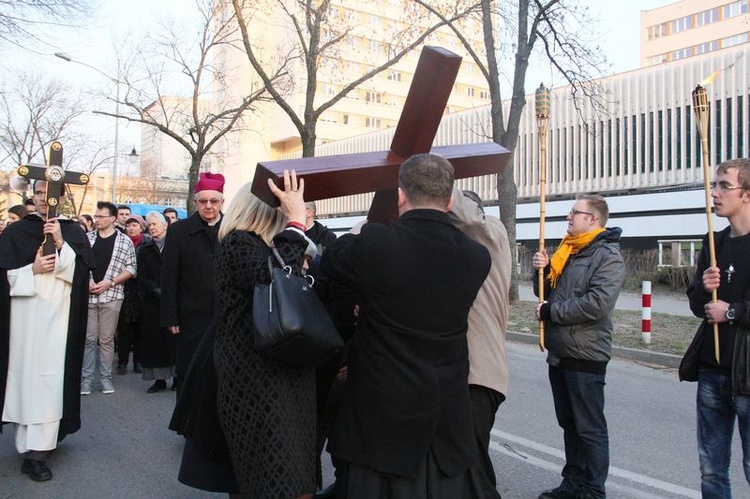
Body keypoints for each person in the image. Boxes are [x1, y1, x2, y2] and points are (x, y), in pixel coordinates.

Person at [320, 153, 491, 498]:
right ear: (449, 199)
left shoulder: (377, 243)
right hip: (444, 416)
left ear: (400, 195)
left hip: (381, 417)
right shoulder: (476, 256)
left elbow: (332, 262)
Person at [212, 174, 317, 498]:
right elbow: (272, 274)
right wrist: (297, 223)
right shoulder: (237, 243)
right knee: (270, 476)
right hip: (256, 381)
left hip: (279, 374)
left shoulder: (257, 245)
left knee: (291, 471)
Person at [532, 194, 625, 499]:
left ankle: (593, 489)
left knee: (589, 427)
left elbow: (597, 304)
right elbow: (546, 292)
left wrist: (551, 312)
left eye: (575, 212)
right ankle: (572, 483)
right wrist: (542, 271)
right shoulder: (568, 250)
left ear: (593, 219)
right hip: (561, 352)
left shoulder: (606, 255)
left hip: (586, 352)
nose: (569, 217)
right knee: (570, 423)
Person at [0, 180, 94, 481]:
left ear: (62, 198)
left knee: (50, 383)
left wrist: (62, 244)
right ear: (33, 195)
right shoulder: (16, 232)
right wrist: (32, 269)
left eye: (50, 194)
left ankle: (38, 453)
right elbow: (3, 277)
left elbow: (82, 276)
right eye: (39, 193)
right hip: (24, 322)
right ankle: (26, 446)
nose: (44, 199)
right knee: (25, 381)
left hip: (58, 321)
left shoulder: (74, 232)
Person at [686, 158, 750, 497]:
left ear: (747, 194)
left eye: (725, 186)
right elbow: (699, 306)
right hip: (712, 370)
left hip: (748, 374)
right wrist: (703, 286)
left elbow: (727, 312)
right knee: (711, 468)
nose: (715, 193)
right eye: (714, 185)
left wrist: (733, 312)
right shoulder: (714, 241)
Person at [448, 188, 511, 498]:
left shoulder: (492, 233)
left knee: (473, 468)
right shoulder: (463, 249)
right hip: (462, 374)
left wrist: (434, 184)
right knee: (458, 464)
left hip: (479, 375)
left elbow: (471, 221)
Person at [161, 172, 224, 392]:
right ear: (195, 202)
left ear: (222, 201)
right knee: (190, 375)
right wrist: (170, 316)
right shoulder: (178, 231)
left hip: (225, 316)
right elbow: (169, 276)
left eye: (214, 201)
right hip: (190, 317)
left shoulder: (232, 229)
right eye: (203, 201)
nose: (208, 206)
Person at [81, 201, 137, 395]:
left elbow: (131, 268)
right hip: (89, 296)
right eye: (95, 216)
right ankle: (86, 380)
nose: (96, 220)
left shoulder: (124, 241)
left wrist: (111, 282)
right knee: (89, 339)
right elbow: (79, 265)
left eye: (100, 216)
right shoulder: (87, 239)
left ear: (112, 218)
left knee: (106, 340)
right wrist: (86, 282)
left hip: (112, 295)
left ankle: (105, 379)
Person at [137, 212, 175, 393]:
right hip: (153, 301)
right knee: (155, 342)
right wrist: (154, 289)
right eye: (149, 225)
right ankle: (159, 380)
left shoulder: (176, 246)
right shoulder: (144, 250)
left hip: (175, 299)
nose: (151, 227)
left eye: (154, 224)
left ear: (165, 225)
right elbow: (142, 275)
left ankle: (177, 377)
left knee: (174, 340)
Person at [115, 215, 149, 375]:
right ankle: (122, 362)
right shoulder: (121, 242)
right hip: (125, 288)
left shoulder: (147, 243)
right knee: (123, 328)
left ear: (141, 227)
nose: (131, 228)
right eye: (128, 225)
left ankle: (138, 361)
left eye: (134, 225)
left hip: (141, 290)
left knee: (141, 329)